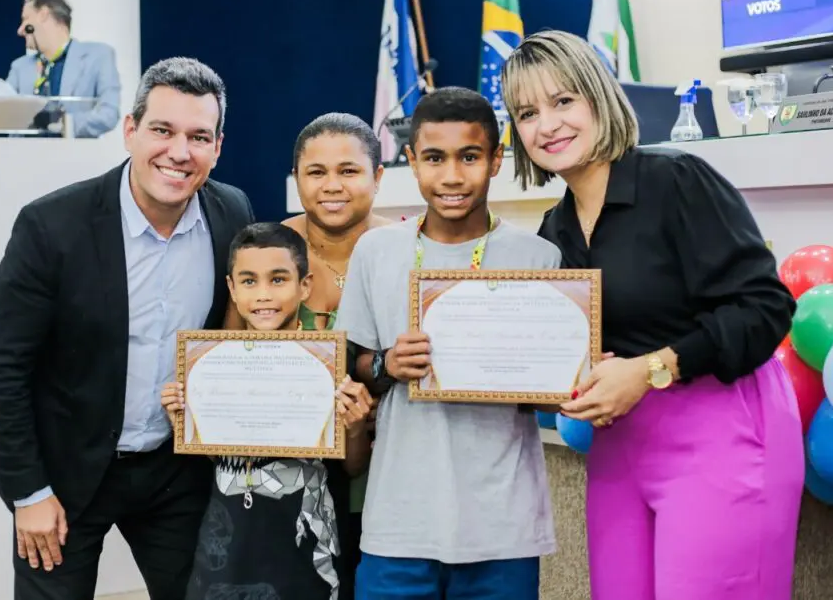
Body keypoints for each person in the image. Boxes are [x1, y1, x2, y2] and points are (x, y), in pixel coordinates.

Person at [501, 29, 802, 600]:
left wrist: (650, 369)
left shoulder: (678, 181)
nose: (547, 124)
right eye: (527, 113)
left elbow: (766, 307)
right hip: (620, 449)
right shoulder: (553, 232)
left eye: (563, 101)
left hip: (725, 429)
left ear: (598, 97)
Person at [0, 56, 255, 600]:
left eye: (199, 136)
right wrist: (27, 491)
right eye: (162, 130)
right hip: (66, 475)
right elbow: (2, 366)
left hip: (177, 474)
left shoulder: (233, 213)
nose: (179, 152)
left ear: (218, 147)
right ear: (130, 131)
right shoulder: (51, 225)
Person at [336, 87, 560, 600]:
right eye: (435, 158)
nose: (453, 177)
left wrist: (534, 377)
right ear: (411, 161)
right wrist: (390, 363)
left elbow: (554, 391)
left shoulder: (539, 259)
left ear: (497, 159)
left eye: (470, 157)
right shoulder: (377, 250)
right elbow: (350, 364)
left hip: (503, 527)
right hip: (399, 521)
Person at [161, 222, 374, 600]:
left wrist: (356, 427)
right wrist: (185, 419)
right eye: (248, 281)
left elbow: (353, 467)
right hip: (229, 546)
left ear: (304, 286)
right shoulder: (210, 367)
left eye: (278, 280)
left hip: (305, 551)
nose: (263, 295)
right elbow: (219, 457)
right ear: (231, 288)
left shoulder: (326, 366)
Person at [282, 112, 391, 592]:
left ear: (378, 177)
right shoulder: (266, 250)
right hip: (289, 484)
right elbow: (229, 355)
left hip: (390, 478)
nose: (332, 185)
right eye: (316, 171)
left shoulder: (409, 249)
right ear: (297, 178)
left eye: (348, 170)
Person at [6, 0, 121, 138]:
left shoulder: (98, 56)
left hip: (75, 158)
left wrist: (61, 124)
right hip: (27, 158)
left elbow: (109, 114)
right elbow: (1, 108)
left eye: (26, 19)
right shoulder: (19, 67)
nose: (20, 30)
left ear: (43, 14)